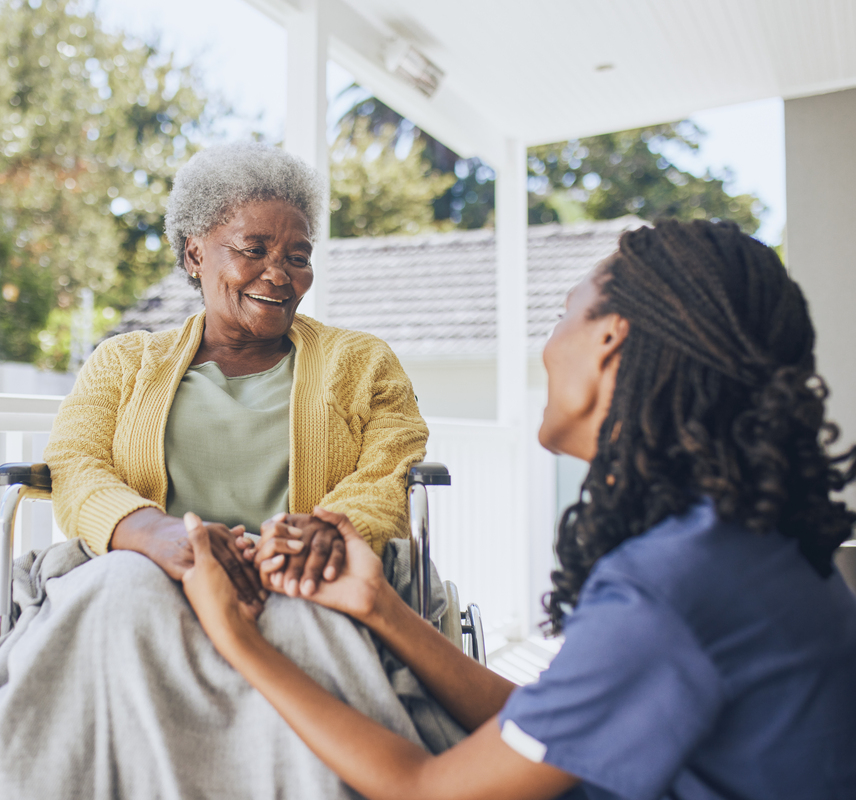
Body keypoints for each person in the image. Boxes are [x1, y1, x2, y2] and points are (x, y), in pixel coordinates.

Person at [182, 219, 856, 800]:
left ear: (608, 341)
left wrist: (234, 637)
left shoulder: (673, 589)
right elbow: (548, 725)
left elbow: (429, 789)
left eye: (563, 313)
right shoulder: (735, 548)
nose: (547, 345)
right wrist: (380, 606)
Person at [44, 140, 427, 601]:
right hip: (152, 574)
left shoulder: (363, 363)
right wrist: (152, 533)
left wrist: (332, 531)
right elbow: (73, 464)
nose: (280, 275)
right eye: (254, 249)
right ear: (195, 255)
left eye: (297, 258)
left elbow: (391, 472)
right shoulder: (123, 362)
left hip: (302, 580)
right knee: (125, 591)